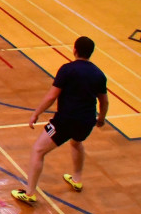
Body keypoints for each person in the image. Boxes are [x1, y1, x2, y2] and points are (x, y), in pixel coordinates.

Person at [12, 36, 109, 205]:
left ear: (75, 50)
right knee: (76, 142)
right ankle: (77, 179)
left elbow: (51, 96)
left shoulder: (67, 69)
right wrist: (100, 119)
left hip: (65, 121)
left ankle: (29, 193)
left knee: (38, 150)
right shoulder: (99, 74)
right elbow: (104, 101)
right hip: (86, 121)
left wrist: (36, 113)